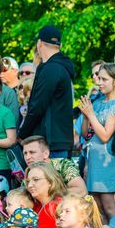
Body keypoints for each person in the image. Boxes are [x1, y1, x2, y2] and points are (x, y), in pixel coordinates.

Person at [79, 63, 115, 221]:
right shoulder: (98, 103)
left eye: (104, 79)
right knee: (97, 208)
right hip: (94, 160)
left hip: (109, 160)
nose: (99, 82)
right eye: (98, 78)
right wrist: (86, 116)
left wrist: (91, 114)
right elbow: (86, 134)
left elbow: (106, 135)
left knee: (110, 206)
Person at [18, 25, 76, 159]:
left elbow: (37, 106)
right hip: (58, 140)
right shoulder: (61, 67)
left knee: (49, 174)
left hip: (50, 144)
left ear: (39, 43)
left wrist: (22, 133)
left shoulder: (51, 69)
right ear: (60, 45)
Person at [21, 135, 86, 196]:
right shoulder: (28, 174)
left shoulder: (63, 165)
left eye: (32, 152)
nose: (27, 157)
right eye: (25, 153)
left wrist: (48, 194)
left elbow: (81, 190)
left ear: (46, 154)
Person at [24, 162, 66, 228]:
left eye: (36, 180)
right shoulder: (35, 207)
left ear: (50, 181)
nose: (29, 185)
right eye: (28, 181)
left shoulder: (60, 205)